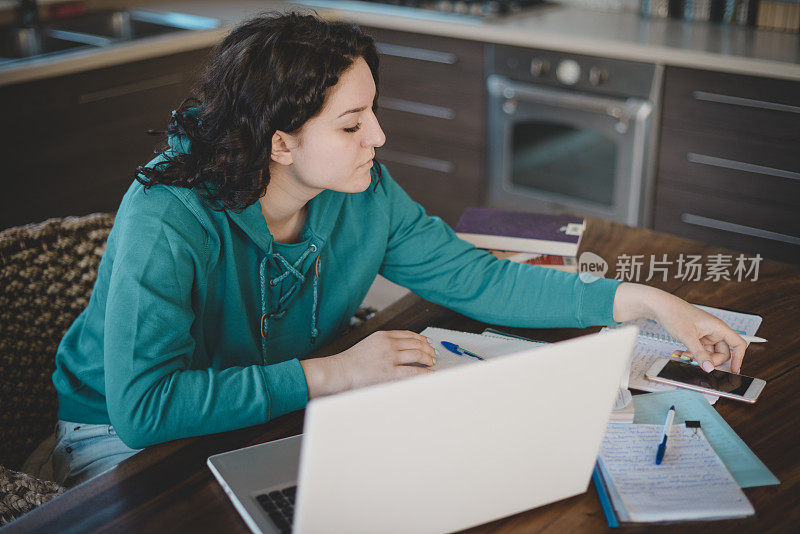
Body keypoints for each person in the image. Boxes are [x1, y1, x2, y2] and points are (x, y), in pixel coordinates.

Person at [50, 12, 747, 487]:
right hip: (122, 438)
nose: (378, 138)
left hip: (264, 409)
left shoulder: (364, 192)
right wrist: (334, 374)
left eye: (372, 113)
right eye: (353, 124)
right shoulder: (167, 216)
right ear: (280, 142)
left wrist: (649, 301)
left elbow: (478, 279)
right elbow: (147, 410)